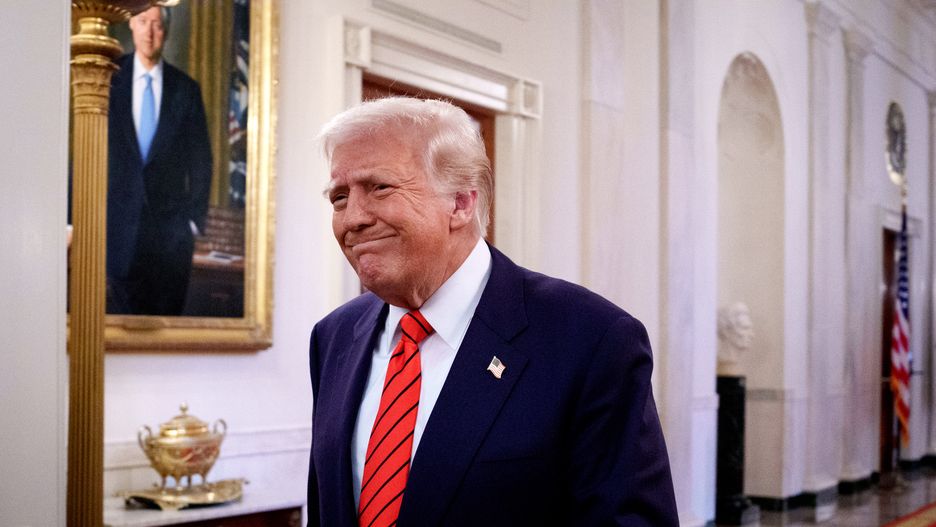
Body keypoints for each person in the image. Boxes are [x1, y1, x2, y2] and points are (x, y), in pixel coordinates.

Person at [308, 97, 678, 526]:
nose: (352, 218)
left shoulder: (591, 339)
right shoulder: (333, 337)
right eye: (338, 197)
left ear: (461, 203)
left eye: (379, 187)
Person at [107, 6, 212, 315]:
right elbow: (87, 149)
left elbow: (201, 159)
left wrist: (193, 221)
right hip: (116, 235)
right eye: (143, 23)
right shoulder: (109, 78)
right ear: (131, 25)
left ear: (165, 31)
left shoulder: (186, 89)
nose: (150, 32)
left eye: (157, 25)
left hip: (170, 241)